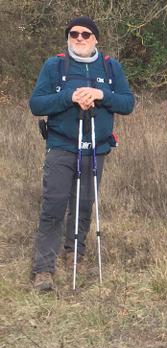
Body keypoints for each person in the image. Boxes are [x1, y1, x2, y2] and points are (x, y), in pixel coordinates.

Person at [29, 16, 135, 292]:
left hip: (96, 148)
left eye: (85, 34)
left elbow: (127, 103)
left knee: (84, 204)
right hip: (62, 146)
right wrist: (70, 97)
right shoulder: (55, 65)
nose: (79, 38)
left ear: (95, 39)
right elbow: (36, 103)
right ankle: (43, 269)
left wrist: (100, 94)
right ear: (68, 38)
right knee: (53, 205)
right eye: (74, 34)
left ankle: (75, 253)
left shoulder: (111, 67)